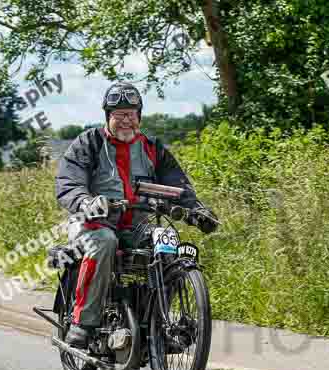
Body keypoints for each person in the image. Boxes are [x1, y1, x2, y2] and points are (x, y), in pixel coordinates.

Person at [55, 82, 217, 349]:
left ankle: (160, 323)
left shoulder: (153, 149)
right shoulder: (89, 143)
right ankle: (83, 322)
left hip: (138, 225)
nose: (125, 120)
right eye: (118, 114)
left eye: (131, 113)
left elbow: (178, 186)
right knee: (104, 242)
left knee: (169, 241)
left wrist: (196, 211)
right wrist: (87, 201)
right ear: (107, 116)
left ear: (139, 116)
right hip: (93, 223)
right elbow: (68, 182)